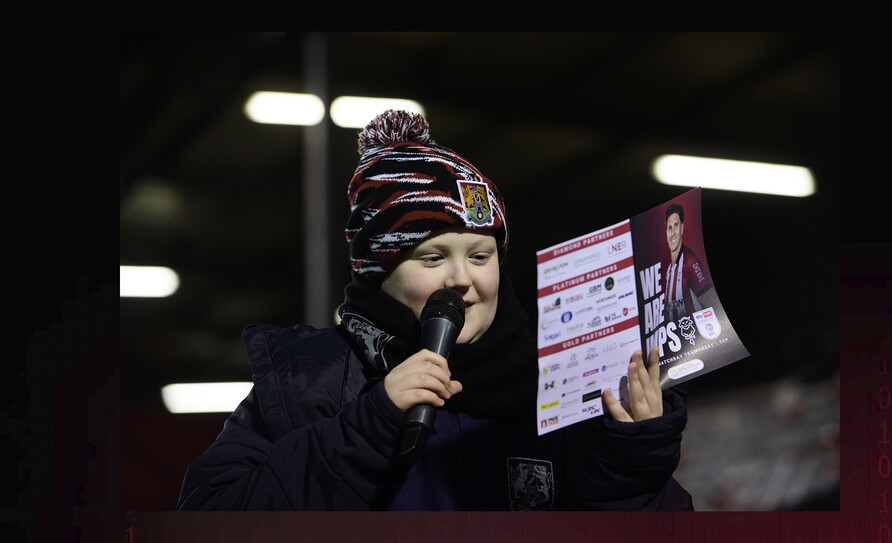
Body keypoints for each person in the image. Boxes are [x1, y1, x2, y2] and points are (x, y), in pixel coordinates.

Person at [177, 110, 693, 511]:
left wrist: (633, 459)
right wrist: (370, 424)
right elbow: (213, 515)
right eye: (432, 257)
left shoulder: (564, 386)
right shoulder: (310, 380)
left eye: (480, 255)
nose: (462, 281)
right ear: (378, 273)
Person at [662, 203, 720, 324]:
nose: (672, 233)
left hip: (696, 338)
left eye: (676, 225)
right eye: (669, 227)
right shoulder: (669, 270)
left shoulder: (689, 262)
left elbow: (714, 305)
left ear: (682, 228)